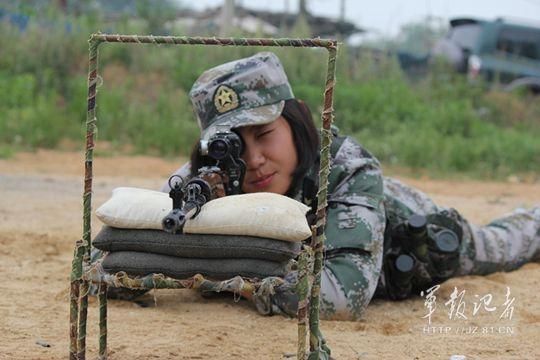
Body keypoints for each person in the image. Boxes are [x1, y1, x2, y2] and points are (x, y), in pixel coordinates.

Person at [163, 51, 540, 321]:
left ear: (296, 123)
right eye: (233, 147)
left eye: (264, 135)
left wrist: (226, 277)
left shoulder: (348, 167)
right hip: (306, 258)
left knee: (509, 242)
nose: (255, 159)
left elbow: (343, 296)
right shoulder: (205, 178)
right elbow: (121, 251)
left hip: (408, 230)